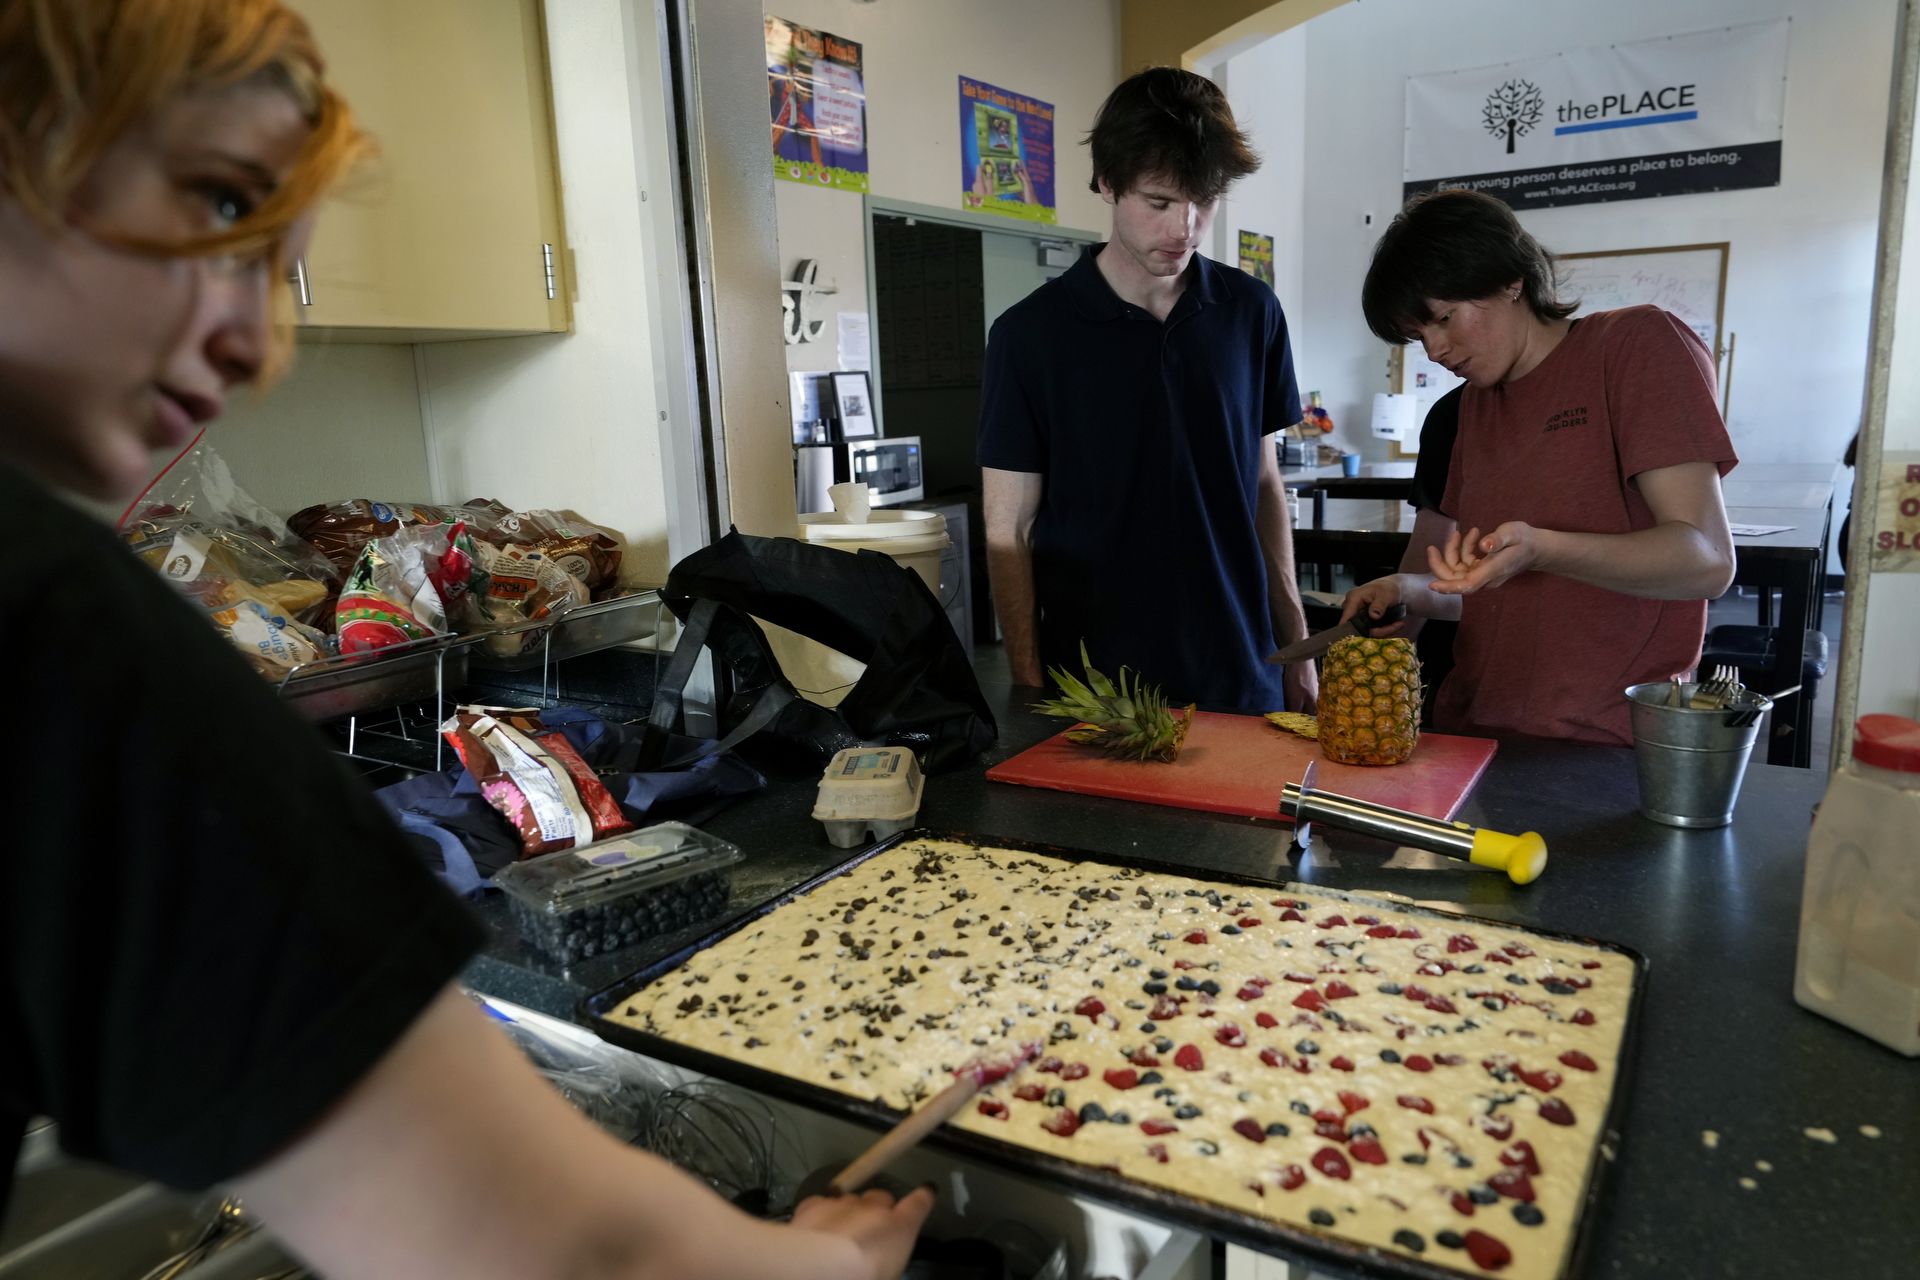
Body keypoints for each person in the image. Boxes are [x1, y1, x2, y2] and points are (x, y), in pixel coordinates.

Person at [0, 3, 931, 1277]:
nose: (253, 342)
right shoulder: (59, 629)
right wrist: (829, 1267)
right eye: (221, 207)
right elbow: (571, 1251)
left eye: (277, 271)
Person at [1342, 190, 1737, 746]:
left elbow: (1708, 562)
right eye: (1418, 336)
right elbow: (1486, 592)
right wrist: (1406, 588)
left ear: (1510, 280)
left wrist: (1544, 548)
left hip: (1601, 743)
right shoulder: (1476, 403)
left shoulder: (1635, 346)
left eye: (1444, 319)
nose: (1434, 350)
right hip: (1474, 731)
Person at [978, 67, 1317, 714]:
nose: (1184, 228)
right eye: (1159, 202)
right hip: (1097, 690)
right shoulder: (1028, 336)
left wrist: (1295, 642)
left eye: (1204, 201)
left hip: (1241, 670)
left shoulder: (1251, 311)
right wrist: (1026, 685)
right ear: (1107, 183)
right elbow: (1008, 528)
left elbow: (1265, 485)